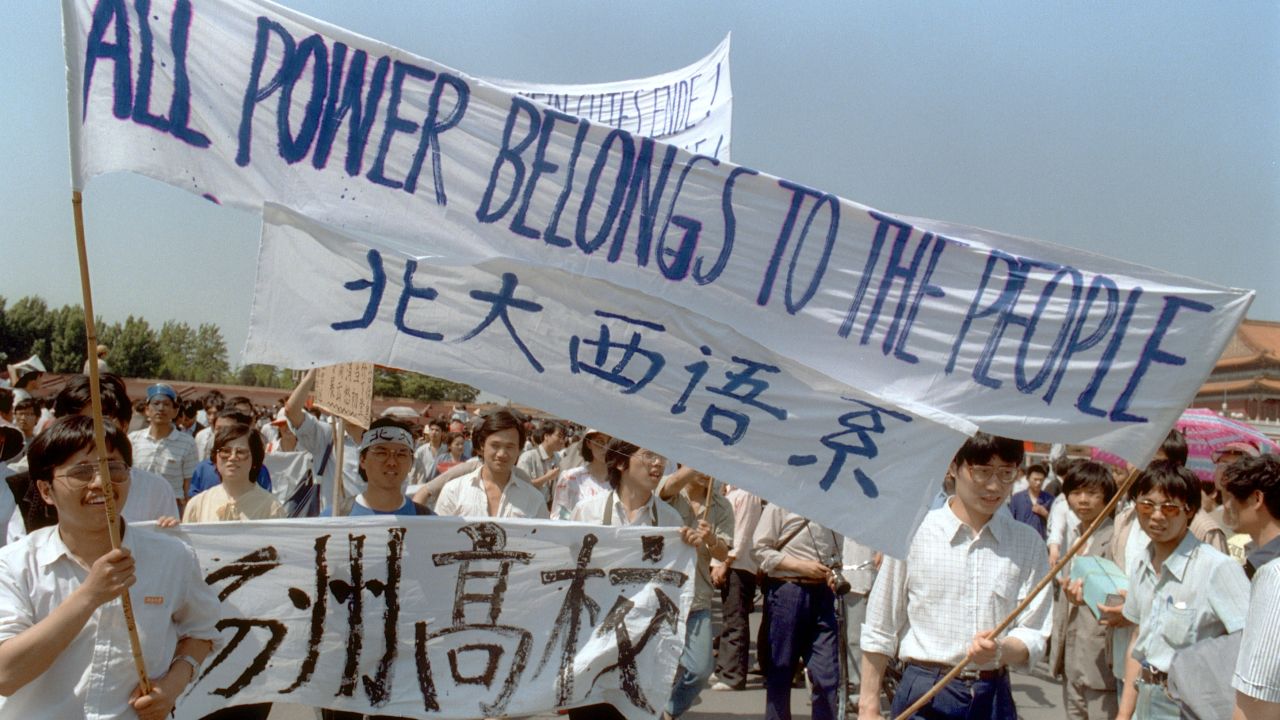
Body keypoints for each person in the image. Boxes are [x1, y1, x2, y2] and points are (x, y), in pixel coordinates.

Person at [0, 415, 221, 718]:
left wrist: (172, 685)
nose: (101, 483)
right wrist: (90, 595)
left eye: (113, 468)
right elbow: (6, 674)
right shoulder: (14, 564)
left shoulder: (173, 557)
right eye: (81, 472)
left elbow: (202, 631)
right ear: (46, 490)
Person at [860, 433, 1052, 720]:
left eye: (1006, 473)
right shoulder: (915, 532)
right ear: (953, 467)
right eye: (982, 471)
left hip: (993, 692)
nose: (994, 485)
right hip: (925, 688)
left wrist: (1001, 650)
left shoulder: (1027, 542)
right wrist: (868, 706)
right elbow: (880, 625)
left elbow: (1035, 631)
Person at [1114, 462, 1249, 720]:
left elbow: (1249, 648)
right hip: (1145, 696)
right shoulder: (1142, 562)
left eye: (1169, 508)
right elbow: (1138, 639)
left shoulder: (1217, 568)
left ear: (1189, 511)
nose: (1156, 516)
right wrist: (1124, 714)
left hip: (1192, 705)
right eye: (1146, 505)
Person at [566, 437, 684, 720]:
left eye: (661, 456)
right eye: (648, 455)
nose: (658, 463)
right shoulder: (588, 512)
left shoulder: (670, 520)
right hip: (593, 643)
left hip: (644, 647)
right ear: (620, 462)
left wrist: (690, 544)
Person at [657, 467, 733, 720]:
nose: (704, 472)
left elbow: (723, 554)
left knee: (700, 669)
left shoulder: (722, 506)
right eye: (697, 465)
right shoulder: (673, 494)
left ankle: (670, 709)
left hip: (697, 596)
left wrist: (711, 540)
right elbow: (666, 488)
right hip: (660, 594)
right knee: (656, 666)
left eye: (709, 467)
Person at [754, 502, 843, 720]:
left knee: (828, 675)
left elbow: (836, 554)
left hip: (822, 595)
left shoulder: (836, 508)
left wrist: (834, 573)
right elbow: (759, 550)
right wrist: (799, 566)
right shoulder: (779, 504)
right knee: (781, 671)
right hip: (788, 591)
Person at [1053, 461, 1121, 720]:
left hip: (1100, 664)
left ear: (1107, 496)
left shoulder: (1115, 537)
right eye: (1076, 493)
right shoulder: (1076, 534)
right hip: (1071, 659)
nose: (1083, 500)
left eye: (1092, 494)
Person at [1220, 454, 1280, 719]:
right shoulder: (1259, 561)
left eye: (1230, 497)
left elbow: (1258, 691)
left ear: (1257, 499)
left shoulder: (1273, 574)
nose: (1225, 507)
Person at [435, 409, 547, 519]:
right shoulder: (453, 491)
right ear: (482, 445)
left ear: (519, 449)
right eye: (495, 445)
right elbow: (438, 534)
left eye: (509, 447)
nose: (502, 454)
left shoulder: (535, 500)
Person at [711, 485, 764, 692]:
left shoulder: (748, 492)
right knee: (729, 618)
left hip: (739, 564)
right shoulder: (730, 492)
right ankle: (725, 668)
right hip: (730, 562)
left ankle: (733, 675)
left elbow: (741, 535)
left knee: (736, 619)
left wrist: (725, 562)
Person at [328, 418, 431, 518]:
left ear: (411, 463)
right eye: (381, 453)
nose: (392, 462)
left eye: (401, 454)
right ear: (363, 460)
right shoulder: (334, 517)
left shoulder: (427, 521)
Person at [183, 423, 284, 524]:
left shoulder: (272, 508)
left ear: (255, 459)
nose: (232, 457)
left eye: (241, 452)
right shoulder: (198, 505)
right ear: (215, 458)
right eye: (225, 451)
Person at [128, 384, 199, 503]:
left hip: (171, 507)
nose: (161, 408)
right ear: (147, 410)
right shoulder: (133, 439)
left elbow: (189, 484)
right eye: (156, 404)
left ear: (175, 411)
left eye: (166, 404)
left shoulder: (188, 443)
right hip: (137, 503)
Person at [840, 537, 880, 700]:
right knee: (853, 639)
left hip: (875, 576)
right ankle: (854, 686)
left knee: (873, 639)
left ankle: (864, 686)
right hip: (850, 576)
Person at [552, 429, 612, 520]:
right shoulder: (570, 478)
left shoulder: (624, 480)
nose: (606, 448)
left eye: (611, 443)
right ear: (588, 443)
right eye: (599, 442)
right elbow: (558, 518)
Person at [516, 418, 565, 506]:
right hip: (529, 508)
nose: (562, 441)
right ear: (546, 436)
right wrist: (546, 477)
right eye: (559, 436)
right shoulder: (528, 457)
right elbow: (521, 486)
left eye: (564, 437)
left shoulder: (558, 457)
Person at [1008, 463, 1052, 539]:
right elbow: (1009, 521)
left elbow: (1056, 524)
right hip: (1020, 539)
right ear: (1027, 479)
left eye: (1041, 480)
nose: (1038, 483)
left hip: (1041, 541)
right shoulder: (1017, 498)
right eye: (1035, 479)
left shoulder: (1049, 499)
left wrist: (1046, 514)